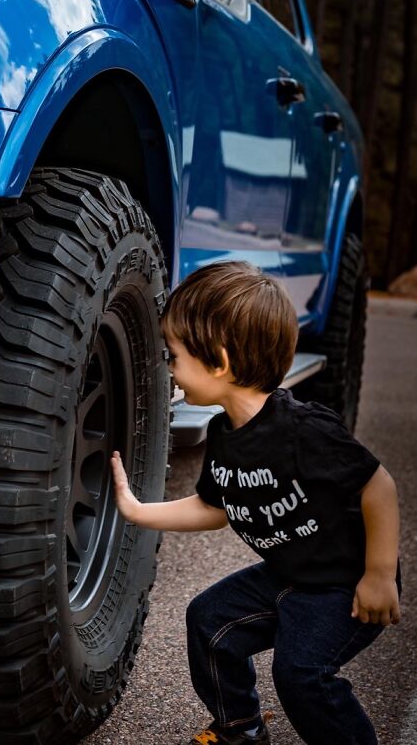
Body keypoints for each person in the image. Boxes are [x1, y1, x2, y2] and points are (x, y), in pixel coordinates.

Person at [110, 261, 401, 745]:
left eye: (175, 355)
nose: (170, 368)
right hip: (290, 576)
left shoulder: (303, 429)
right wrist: (138, 510)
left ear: (219, 362)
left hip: (344, 586)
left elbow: (379, 486)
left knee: (301, 674)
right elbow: (215, 507)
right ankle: (239, 729)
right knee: (209, 620)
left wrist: (377, 575)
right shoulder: (226, 435)